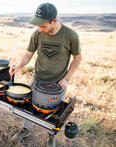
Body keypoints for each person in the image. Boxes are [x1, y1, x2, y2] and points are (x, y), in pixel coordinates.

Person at [9, 2, 82, 145]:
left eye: (43, 26)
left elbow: (78, 59)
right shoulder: (37, 34)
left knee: (54, 113)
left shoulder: (70, 36)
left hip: (57, 84)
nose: (39, 29)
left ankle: (51, 135)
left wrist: (66, 79)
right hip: (37, 80)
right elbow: (28, 54)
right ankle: (26, 129)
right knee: (29, 107)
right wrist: (18, 66)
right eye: (37, 25)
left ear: (54, 21)